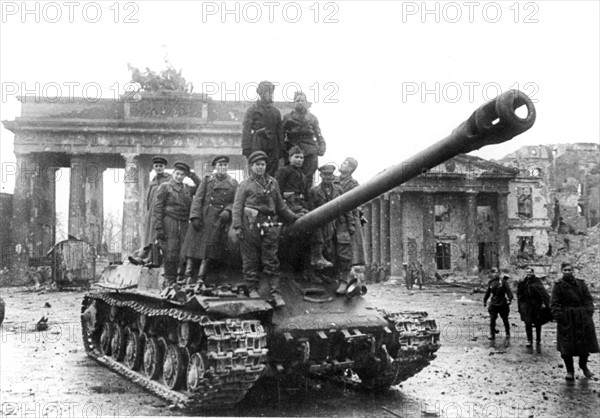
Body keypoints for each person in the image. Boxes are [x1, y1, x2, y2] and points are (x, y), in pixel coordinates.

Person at [232, 151, 300, 308]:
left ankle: (275, 292)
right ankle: (253, 289)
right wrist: (237, 226)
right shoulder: (245, 184)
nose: (260, 167)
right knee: (250, 259)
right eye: (257, 165)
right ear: (251, 167)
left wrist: (293, 217)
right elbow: (237, 206)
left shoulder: (272, 183)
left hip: (269, 224)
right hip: (250, 225)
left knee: (271, 260)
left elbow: (280, 206)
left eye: (262, 164)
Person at [182, 156, 238, 286]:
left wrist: (228, 211)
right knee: (192, 247)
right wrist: (195, 216)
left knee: (209, 249)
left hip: (218, 218)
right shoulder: (207, 180)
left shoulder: (233, 183)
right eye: (220, 165)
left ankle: (201, 277)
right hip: (203, 216)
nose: (222, 167)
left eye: (225, 165)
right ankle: (188, 275)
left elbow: (234, 201)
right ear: (215, 167)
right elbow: (198, 198)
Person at [308, 164, 355, 295]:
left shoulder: (339, 190)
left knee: (344, 252)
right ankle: (328, 278)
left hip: (339, 223)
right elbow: (311, 210)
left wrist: (351, 223)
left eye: (330, 175)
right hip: (323, 224)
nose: (328, 177)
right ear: (321, 176)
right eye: (325, 175)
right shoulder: (314, 191)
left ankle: (343, 281)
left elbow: (347, 207)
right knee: (328, 252)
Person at [153, 161, 200, 286]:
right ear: (173, 173)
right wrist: (159, 228)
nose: (179, 177)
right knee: (170, 251)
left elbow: (201, 187)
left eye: (182, 175)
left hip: (184, 222)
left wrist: (192, 175)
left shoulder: (186, 188)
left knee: (184, 251)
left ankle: (181, 279)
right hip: (170, 221)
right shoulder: (165, 186)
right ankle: (169, 280)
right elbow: (157, 208)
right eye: (177, 174)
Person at [550, 262, 599, 381]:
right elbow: (554, 303)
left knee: (584, 343)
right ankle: (570, 371)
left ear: (573, 271)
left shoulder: (581, 284)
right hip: (567, 318)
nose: (567, 272)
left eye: (569, 270)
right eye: (565, 270)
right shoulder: (558, 285)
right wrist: (560, 316)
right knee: (566, 346)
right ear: (562, 271)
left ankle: (584, 366)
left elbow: (588, 299)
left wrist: (588, 312)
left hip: (582, 317)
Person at [129, 156, 171, 265]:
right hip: (152, 213)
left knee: (158, 236)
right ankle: (145, 256)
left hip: (163, 212)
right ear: (153, 167)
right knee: (150, 236)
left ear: (164, 167)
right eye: (156, 166)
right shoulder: (153, 181)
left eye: (161, 166)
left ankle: (150, 258)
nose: (158, 168)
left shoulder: (169, 179)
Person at [282, 91, 326, 187]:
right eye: (297, 100)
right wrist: (284, 149)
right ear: (294, 103)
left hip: (309, 150)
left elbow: (318, 134)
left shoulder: (313, 118)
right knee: (293, 177)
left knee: (308, 177)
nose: (300, 102)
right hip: (293, 148)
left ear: (306, 102)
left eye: (302, 100)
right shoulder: (288, 118)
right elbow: (281, 135)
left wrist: (322, 146)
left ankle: (308, 198)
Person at [242, 81, 283, 177]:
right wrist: (247, 148)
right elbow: (246, 130)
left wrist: (282, 150)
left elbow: (280, 133)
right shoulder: (252, 110)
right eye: (267, 92)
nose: (270, 95)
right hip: (258, 142)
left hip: (273, 144)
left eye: (271, 92)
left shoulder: (276, 112)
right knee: (257, 167)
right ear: (261, 94)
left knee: (272, 171)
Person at [335, 157, 365, 267]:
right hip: (334, 217)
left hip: (348, 219)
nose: (342, 164)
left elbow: (355, 204)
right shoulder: (333, 180)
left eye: (345, 163)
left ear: (350, 168)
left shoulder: (354, 184)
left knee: (349, 251)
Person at [517, 267, 550, 348]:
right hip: (527, 306)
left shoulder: (537, 281)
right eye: (527, 272)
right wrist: (521, 304)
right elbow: (519, 293)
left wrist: (544, 303)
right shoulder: (524, 282)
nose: (529, 274)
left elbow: (542, 292)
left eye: (530, 272)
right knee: (527, 322)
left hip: (536, 305)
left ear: (533, 273)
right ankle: (529, 340)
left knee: (537, 323)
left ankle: (538, 339)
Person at [483, 267, 514, 342]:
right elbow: (488, 292)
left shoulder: (503, 282)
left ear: (499, 273)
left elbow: (509, 292)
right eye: (494, 272)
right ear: (492, 274)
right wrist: (484, 300)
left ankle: (507, 333)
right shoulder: (491, 282)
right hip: (494, 302)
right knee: (492, 319)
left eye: (497, 272)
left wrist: (509, 299)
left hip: (502, 302)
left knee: (505, 319)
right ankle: (492, 334)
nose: (495, 274)